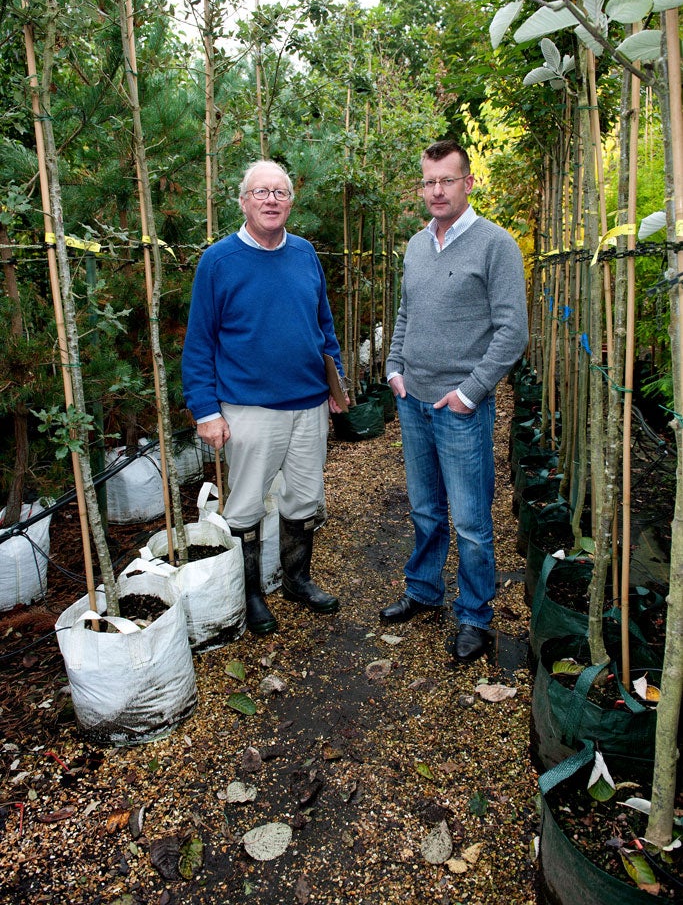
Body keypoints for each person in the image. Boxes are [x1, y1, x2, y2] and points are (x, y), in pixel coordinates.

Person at [182, 159, 347, 636]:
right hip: (249, 408)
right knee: (247, 503)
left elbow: (324, 326)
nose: (271, 200)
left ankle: (297, 579)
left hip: (309, 404)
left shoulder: (304, 254)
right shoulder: (219, 261)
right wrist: (206, 411)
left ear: (291, 201)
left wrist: (334, 385)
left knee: (304, 496)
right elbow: (199, 343)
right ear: (243, 201)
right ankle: (252, 593)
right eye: (261, 192)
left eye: (280, 192)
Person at [380, 139, 528, 662]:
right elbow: (405, 313)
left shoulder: (495, 245)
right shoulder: (418, 246)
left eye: (447, 180)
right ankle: (422, 591)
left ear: (468, 183)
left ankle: (475, 616)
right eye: (429, 181)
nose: (437, 190)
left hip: (460, 408)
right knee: (424, 509)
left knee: (469, 518)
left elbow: (513, 332)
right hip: (412, 400)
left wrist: (470, 393)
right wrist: (394, 367)